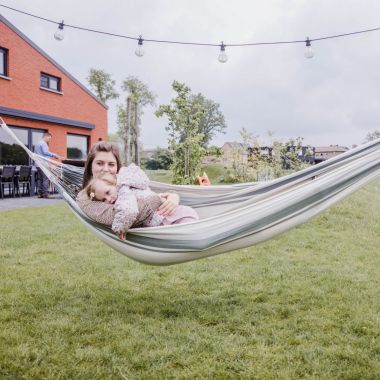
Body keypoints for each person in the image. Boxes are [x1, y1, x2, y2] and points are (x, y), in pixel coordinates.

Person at [76, 141, 182, 235]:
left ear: (118, 167)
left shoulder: (122, 182)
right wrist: (159, 199)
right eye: (100, 163)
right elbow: (117, 215)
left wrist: (173, 196)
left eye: (111, 164)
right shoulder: (85, 198)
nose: (106, 169)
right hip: (161, 226)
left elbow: (150, 189)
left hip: (172, 219)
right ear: (90, 166)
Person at [85, 165, 198, 239]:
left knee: (189, 233)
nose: (108, 199)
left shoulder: (123, 191)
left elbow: (129, 210)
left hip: (168, 216)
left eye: (108, 192)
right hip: (166, 216)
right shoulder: (128, 186)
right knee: (186, 234)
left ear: (114, 183)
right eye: (104, 200)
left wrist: (120, 228)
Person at [34, 132, 63, 198]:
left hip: (38, 164)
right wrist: (54, 155)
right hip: (43, 164)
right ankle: (46, 194)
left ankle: (40, 194)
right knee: (45, 179)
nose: (49, 140)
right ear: (46, 136)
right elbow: (45, 152)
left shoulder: (37, 144)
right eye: (49, 138)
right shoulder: (43, 144)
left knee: (40, 179)